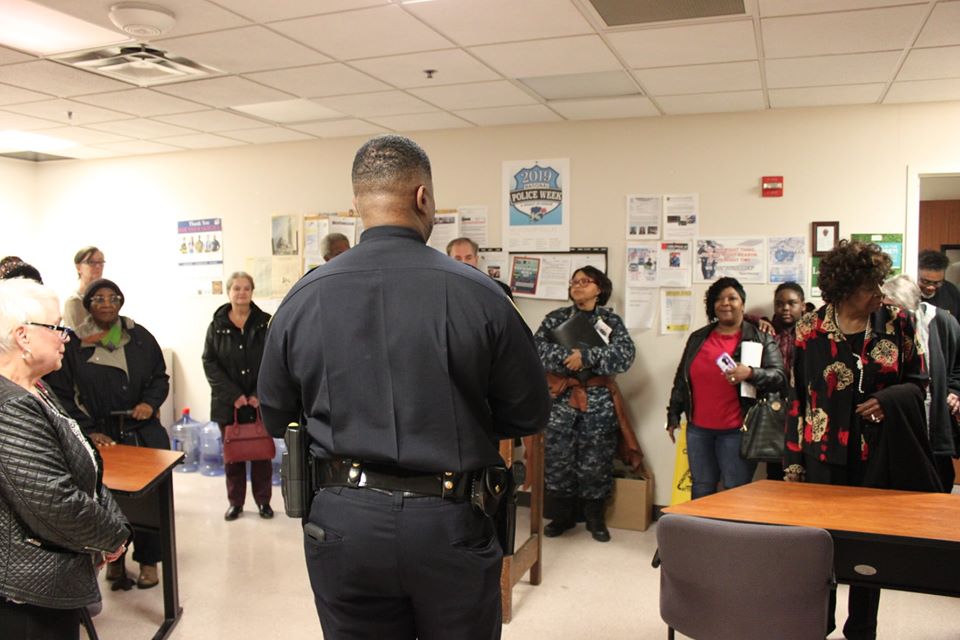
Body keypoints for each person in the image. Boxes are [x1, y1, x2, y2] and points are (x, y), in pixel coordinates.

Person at [258, 135, 550, 639]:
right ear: (423, 197)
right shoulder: (480, 295)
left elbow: (276, 414)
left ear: (357, 204)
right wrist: (459, 413)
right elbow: (528, 413)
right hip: (450, 518)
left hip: (343, 521)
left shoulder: (303, 297)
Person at [785, 242, 933, 640]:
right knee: (819, 550)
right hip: (822, 457)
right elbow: (796, 398)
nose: (879, 294)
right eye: (870, 286)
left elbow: (920, 383)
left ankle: (862, 629)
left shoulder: (898, 322)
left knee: (869, 554)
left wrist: (888, 400)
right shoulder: (808, 329)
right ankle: (817, 624)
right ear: (844, 288)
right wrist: (793, 462)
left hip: (876, 457)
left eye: (880, 284)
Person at [0, 278, 130, 639]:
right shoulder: (9, 405)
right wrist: (113, 536)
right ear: (23, 337)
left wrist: (113, 525)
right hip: (27, 593)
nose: (66, 337)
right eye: (56, 327)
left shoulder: (37, 387)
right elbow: (55, 502)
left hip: (50, 581)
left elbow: (82, 465)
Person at [46, 278, 170, 590]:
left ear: (120, 302)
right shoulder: (74, 342)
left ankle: (149, 561)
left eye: (112, 298)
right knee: (108, 504)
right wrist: (89, 431)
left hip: (140, 432)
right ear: (87, 305)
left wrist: (149, 403)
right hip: (102, 436)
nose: (106, 304)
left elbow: (160, 377)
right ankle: (116, 559)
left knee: (150, 503)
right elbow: (62, 395)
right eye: (98, 299)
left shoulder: (139, 337)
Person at [534, 266, 641, 542]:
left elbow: (625, 355)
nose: (577, 285)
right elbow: (536, 349)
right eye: (574, 281)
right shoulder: (556, 318)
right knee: (558, 461)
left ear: (599, 289)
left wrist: (587, 356)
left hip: (598, 404)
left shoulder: (611, 321)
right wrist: (568, 358)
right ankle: (562, 517)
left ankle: (595, 519)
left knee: (597, 462)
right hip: (561, 403)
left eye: (585, 281)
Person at [666, 277, 785, 499]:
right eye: (719, 299)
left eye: (732, 298)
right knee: (701, 487)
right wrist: (673, 414)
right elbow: (682, 379)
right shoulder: (698, 337)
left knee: (735, 491)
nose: (725, 303)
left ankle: (730, 525)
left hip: (738, 431)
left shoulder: (759, 338)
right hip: (698, 430)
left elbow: (780, 377)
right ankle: (700, 524)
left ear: (743, 303)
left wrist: (750, 373)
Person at [202, 271, 274, 521]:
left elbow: (275, 360)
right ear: (228, 292)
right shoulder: (217, 326)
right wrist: (233, 395)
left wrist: (258, 394)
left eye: (246, 288)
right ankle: (236, 503)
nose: (241, 293)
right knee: (233, 457)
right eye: (236, 288)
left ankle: (264, 502)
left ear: (252, 292)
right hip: (227, 404)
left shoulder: (265, 323)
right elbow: (209, 362)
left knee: (262, 455)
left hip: (259, 403)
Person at [881, 274, 960, 492]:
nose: (889, 313)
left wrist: (954, 390)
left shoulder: (942, 321)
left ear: (910, 306)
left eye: (894, 308)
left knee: (937, 484)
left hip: (933, 421)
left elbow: (958, 364)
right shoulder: (882, 325)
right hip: (896, 423)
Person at [766, 281, 806, 480]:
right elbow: (743, 319)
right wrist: (758, 320)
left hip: (804, 407)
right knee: (775, 466)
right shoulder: (767, 332)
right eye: (780, 304)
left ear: (803, 305)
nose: (785, 308)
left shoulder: (812, 332)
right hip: (775, 408)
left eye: (792, 303)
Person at [446, 236, 513, 299]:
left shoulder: (500, 289)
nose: (464, 262)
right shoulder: (442, 289)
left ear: (476, 259)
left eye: (469, 258)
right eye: (457, 258)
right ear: (448, 261)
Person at [63, 246, 105, 330]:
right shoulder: (74, 302)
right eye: (91, 262)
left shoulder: (105, 300)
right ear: (78, 268)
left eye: (101, 262)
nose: (98, 266)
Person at [918, 249, 960, 318]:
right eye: (925, 282)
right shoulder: (906, 292)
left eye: (936, 283)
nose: (931, 287)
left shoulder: (951, 292)